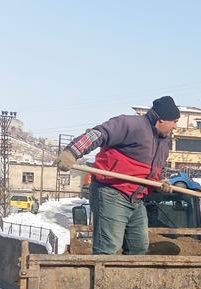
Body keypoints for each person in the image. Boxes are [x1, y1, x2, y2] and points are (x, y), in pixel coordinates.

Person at [55, 96, 180, 254]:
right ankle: (102, 278)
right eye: (174, 121)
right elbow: (98, 134)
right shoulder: (132, 125)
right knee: (108, 248)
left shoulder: (165, 143)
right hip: (112, 192)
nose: (176, 126)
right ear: (162, 119)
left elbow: (157, 170)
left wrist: (161, 182)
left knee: (139, 247)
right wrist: (72, 152)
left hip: (136, 199)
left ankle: (130, 279)